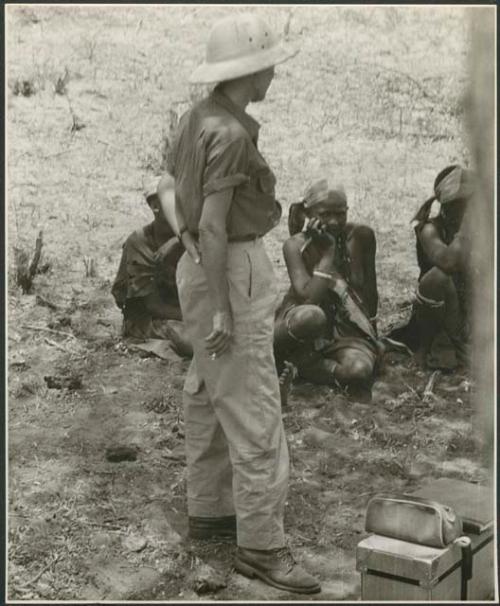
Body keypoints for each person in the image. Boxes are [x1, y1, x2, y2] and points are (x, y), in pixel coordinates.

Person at [166, 13, 321, 595]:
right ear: (249, 70)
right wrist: (227, 306)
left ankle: (211, 513)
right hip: (228, 265)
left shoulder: (197, 118)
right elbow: (213, 224)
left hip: (199, 266)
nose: (273, 74)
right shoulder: (230, 134)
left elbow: (172, 194)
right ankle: (261, 546)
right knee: (255, 405)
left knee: (208, 391)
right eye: (268, 65)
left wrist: (193, 262)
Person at [274, 179, 381, 397]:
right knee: (312, 317)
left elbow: (370, 297)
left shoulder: (362, 237)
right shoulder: (295, 245)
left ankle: (304, 367)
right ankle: (287, 357)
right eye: (324, 214)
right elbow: (309, 299)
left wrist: (371, 338)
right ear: (307, 213)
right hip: (304, 326)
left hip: (347, 332)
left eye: (340, 213)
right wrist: (329, 252)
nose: (334, 221)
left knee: (358, 371)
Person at [388, 165, 473, 369]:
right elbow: (449, 262)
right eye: (461, 204)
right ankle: (427, 348)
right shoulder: (429, 229)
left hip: (473, 309)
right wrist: (466, 229)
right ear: (445, 205)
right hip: (440, 312)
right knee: (437, 277)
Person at [111, 176, 192, 358]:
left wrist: (178, 241)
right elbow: (154, 306)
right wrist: (198, 317)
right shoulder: (139, 243)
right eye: (176, 201)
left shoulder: (185, 237)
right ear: (156, 206)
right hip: (151, 320)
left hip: (184, 312)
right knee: (201, 343)